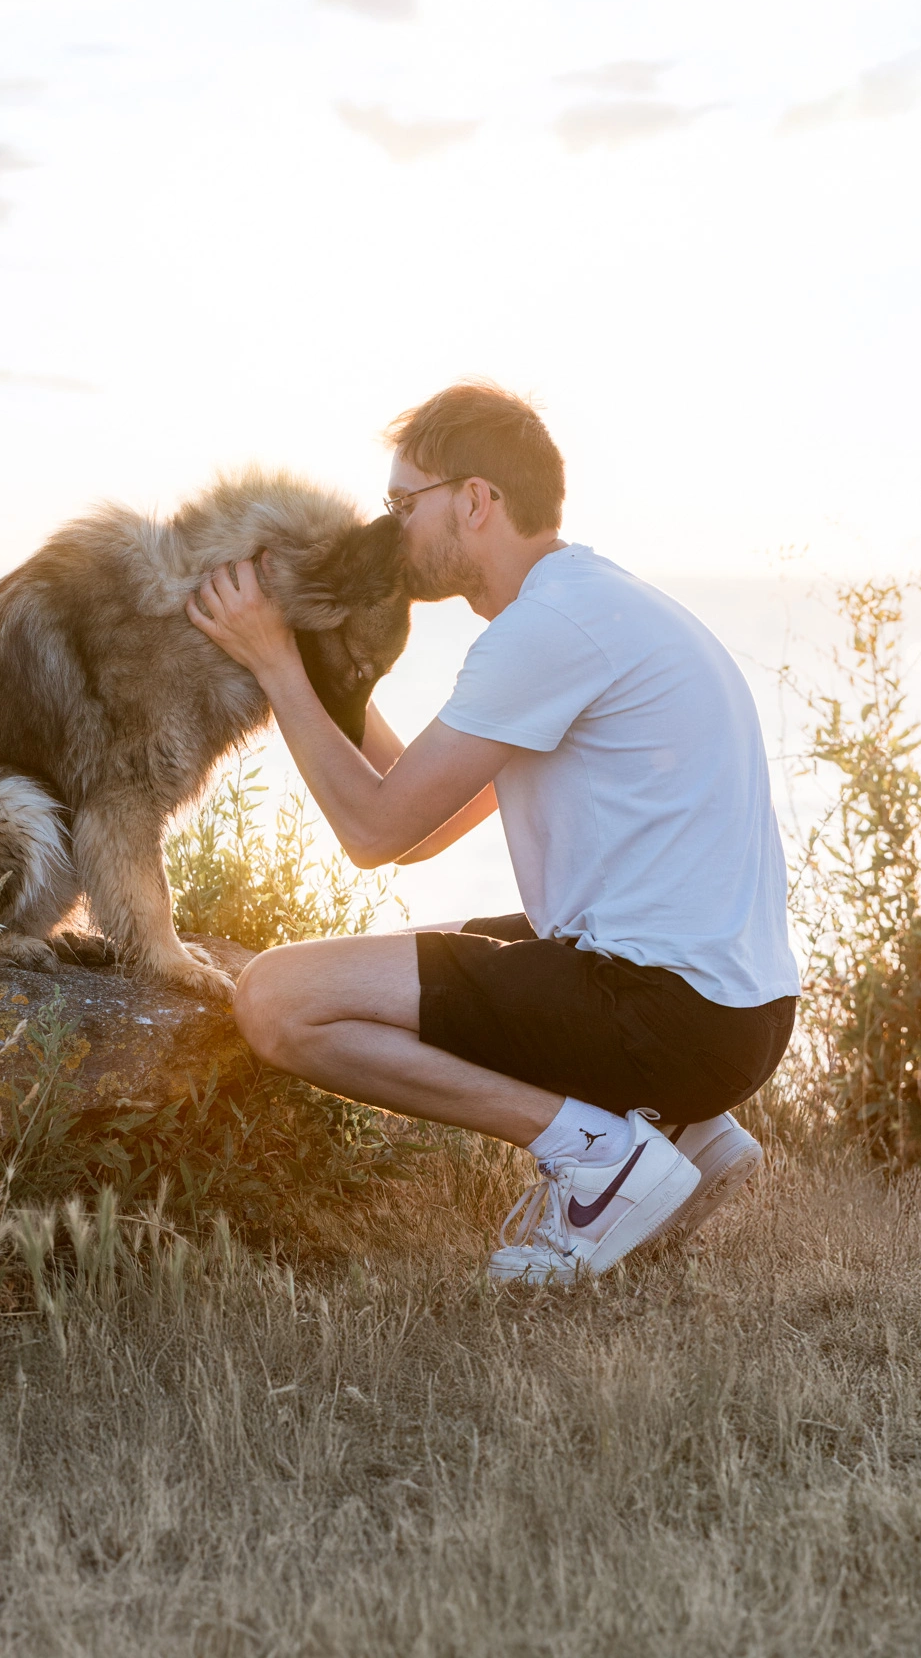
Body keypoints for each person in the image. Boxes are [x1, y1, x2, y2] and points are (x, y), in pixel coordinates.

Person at [185, 382, 799, 1282]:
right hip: (733, 1016)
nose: (391, 531)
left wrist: (273, 662)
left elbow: (371, 831)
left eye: (403, 504)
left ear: (475, 500)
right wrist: (327, 670)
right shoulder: (589, 607)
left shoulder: (546, 629)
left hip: (665, 1013)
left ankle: (597, 1152)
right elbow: (420, 823)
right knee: (395, 960)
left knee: (280, 999)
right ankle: (692, 1136)